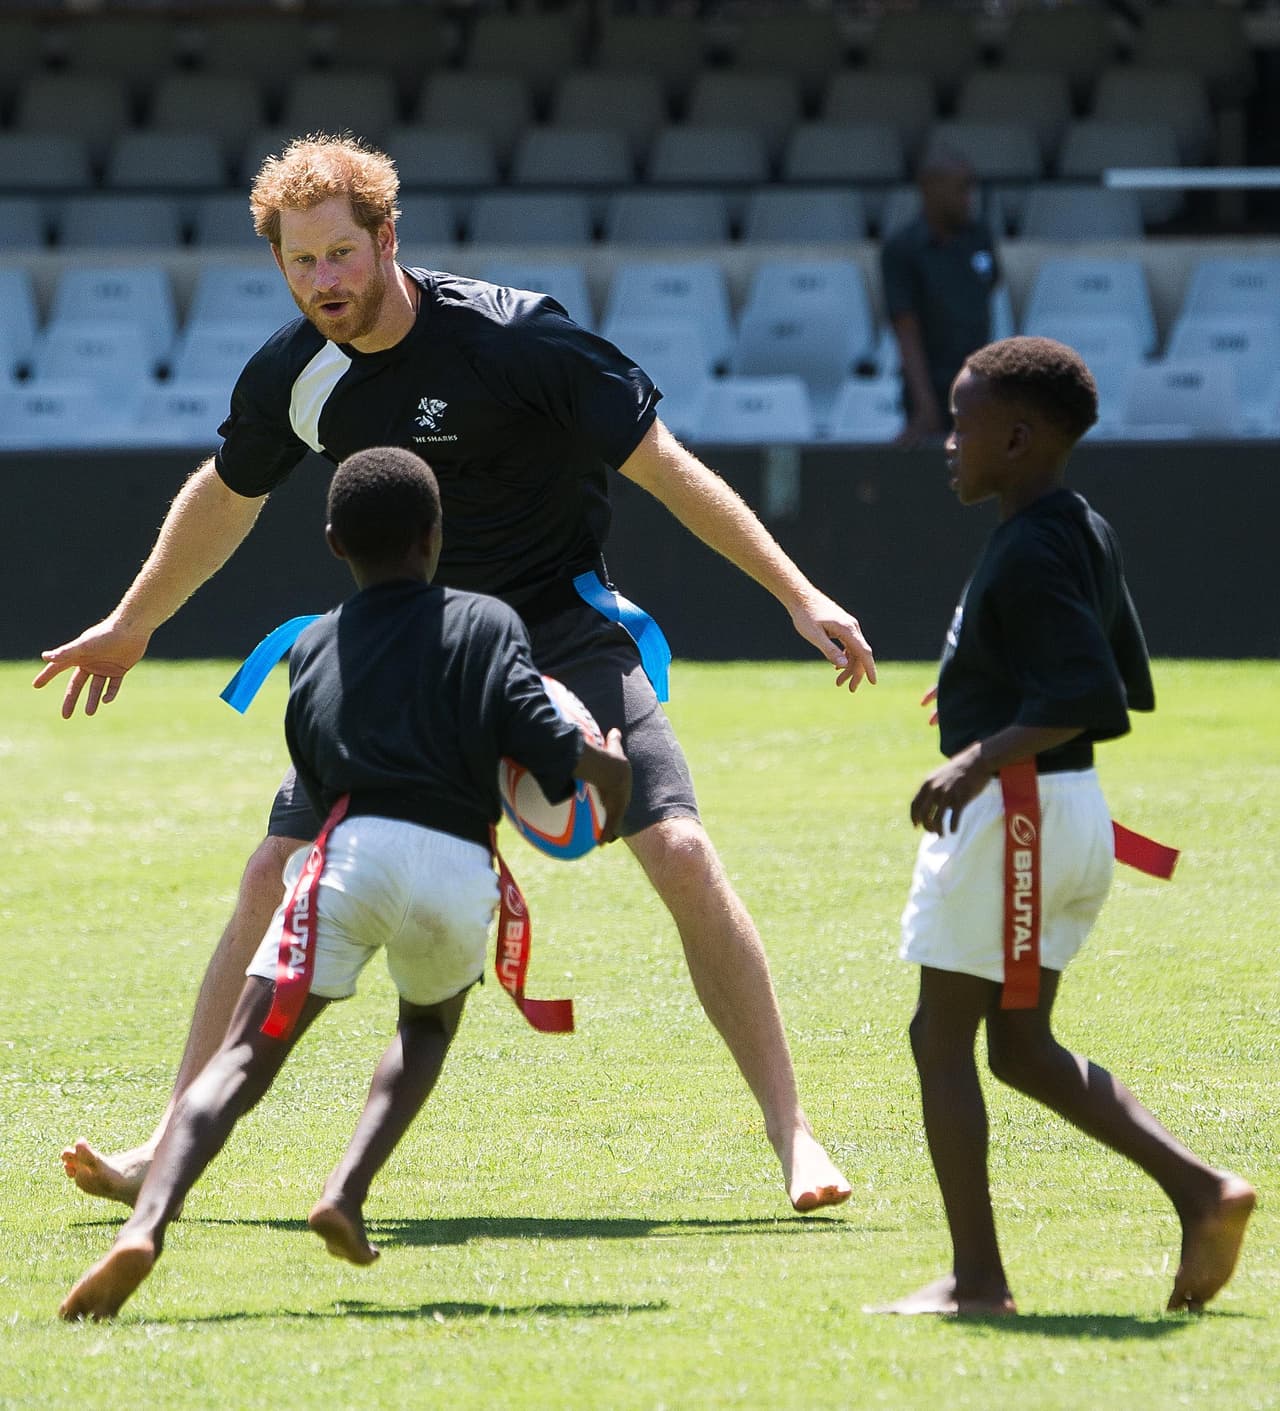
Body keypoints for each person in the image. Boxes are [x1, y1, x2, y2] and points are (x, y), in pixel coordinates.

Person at [38, 133, 876, 1216]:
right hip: (406, 646)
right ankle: (165, 1145)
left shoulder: (517, 339)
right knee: (271, 870)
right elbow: (226, 494)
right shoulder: (298, 373)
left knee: (676, 843)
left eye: (342, 254)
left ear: (390, 237)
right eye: (301, 264)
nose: (324, 282)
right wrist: (131, 620)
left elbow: (663, 465)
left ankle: (792, 1133)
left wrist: (796, 591)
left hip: (559, 630)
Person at [59, 445, 633, 1321]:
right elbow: (552, 758)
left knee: (247, 1052)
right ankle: (348, 1187)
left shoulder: (315, 642)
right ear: (436, 536)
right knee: (426, 1027)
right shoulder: (487, 621)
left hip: (351, 853)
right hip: (456, 868)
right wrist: (612, 766)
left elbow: (315, 778)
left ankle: (147, 1222)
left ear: (333, 540)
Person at [874, 337, 1255, 1316]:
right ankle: (1200, 1191)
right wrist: (980, 699)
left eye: (959, 425)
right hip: (1057, 810)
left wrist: (974, 755)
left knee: (940, 1037)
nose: (946, 444)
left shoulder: (1035, 540)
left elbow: (1089, 691)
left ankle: (977, 1280)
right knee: (1017, 1047)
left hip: (1017, 816)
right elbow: (1107, 673)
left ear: (1015, 435)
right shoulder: (1072, 525)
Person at [880, 145, 1000, 449]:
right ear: (930, 188)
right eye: (960, 189)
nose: (968, 198)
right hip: (931, 388)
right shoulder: (902, 250)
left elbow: (989, 292)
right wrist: (925, 405)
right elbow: (905, 330)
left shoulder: (979, 236)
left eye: (971, 188)